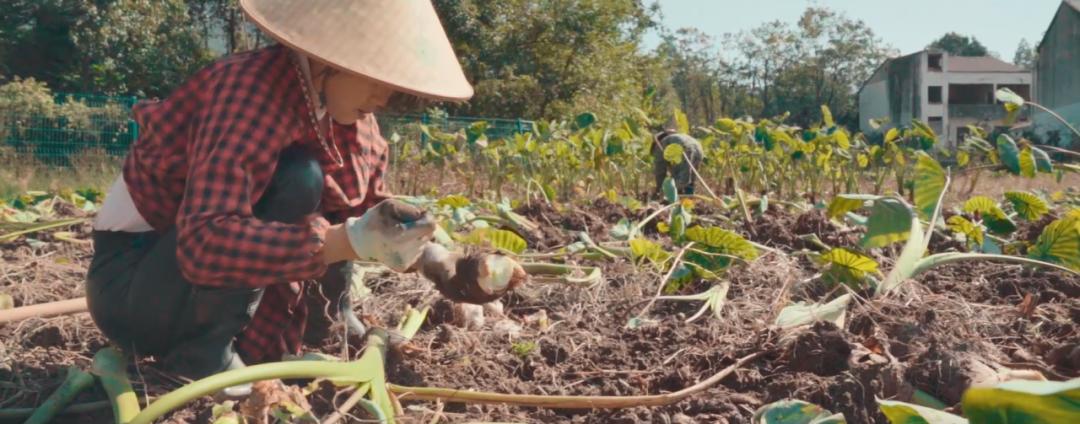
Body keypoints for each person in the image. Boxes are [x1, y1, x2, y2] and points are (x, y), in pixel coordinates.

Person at [85, 0, 502, 391]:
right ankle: (202, 355)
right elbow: (204, 242)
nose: (383, 97)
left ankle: (326, 323)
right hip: (135, 285)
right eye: (375, 78)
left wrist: (436, 259)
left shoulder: (347, 113)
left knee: (325, 185)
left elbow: (365, 208)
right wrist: (344, 241)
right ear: (332, 59)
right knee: (300, 176)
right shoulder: (247, 92)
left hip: (185, 281)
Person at [651, 128, 704, 196]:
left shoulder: (661, 144)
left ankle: (679, 197)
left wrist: (659, 189)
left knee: (683, 179)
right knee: (690, 177)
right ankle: (689, 196)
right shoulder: (680, 136)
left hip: (684, 147)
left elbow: (660, 171)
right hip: (698, 147)